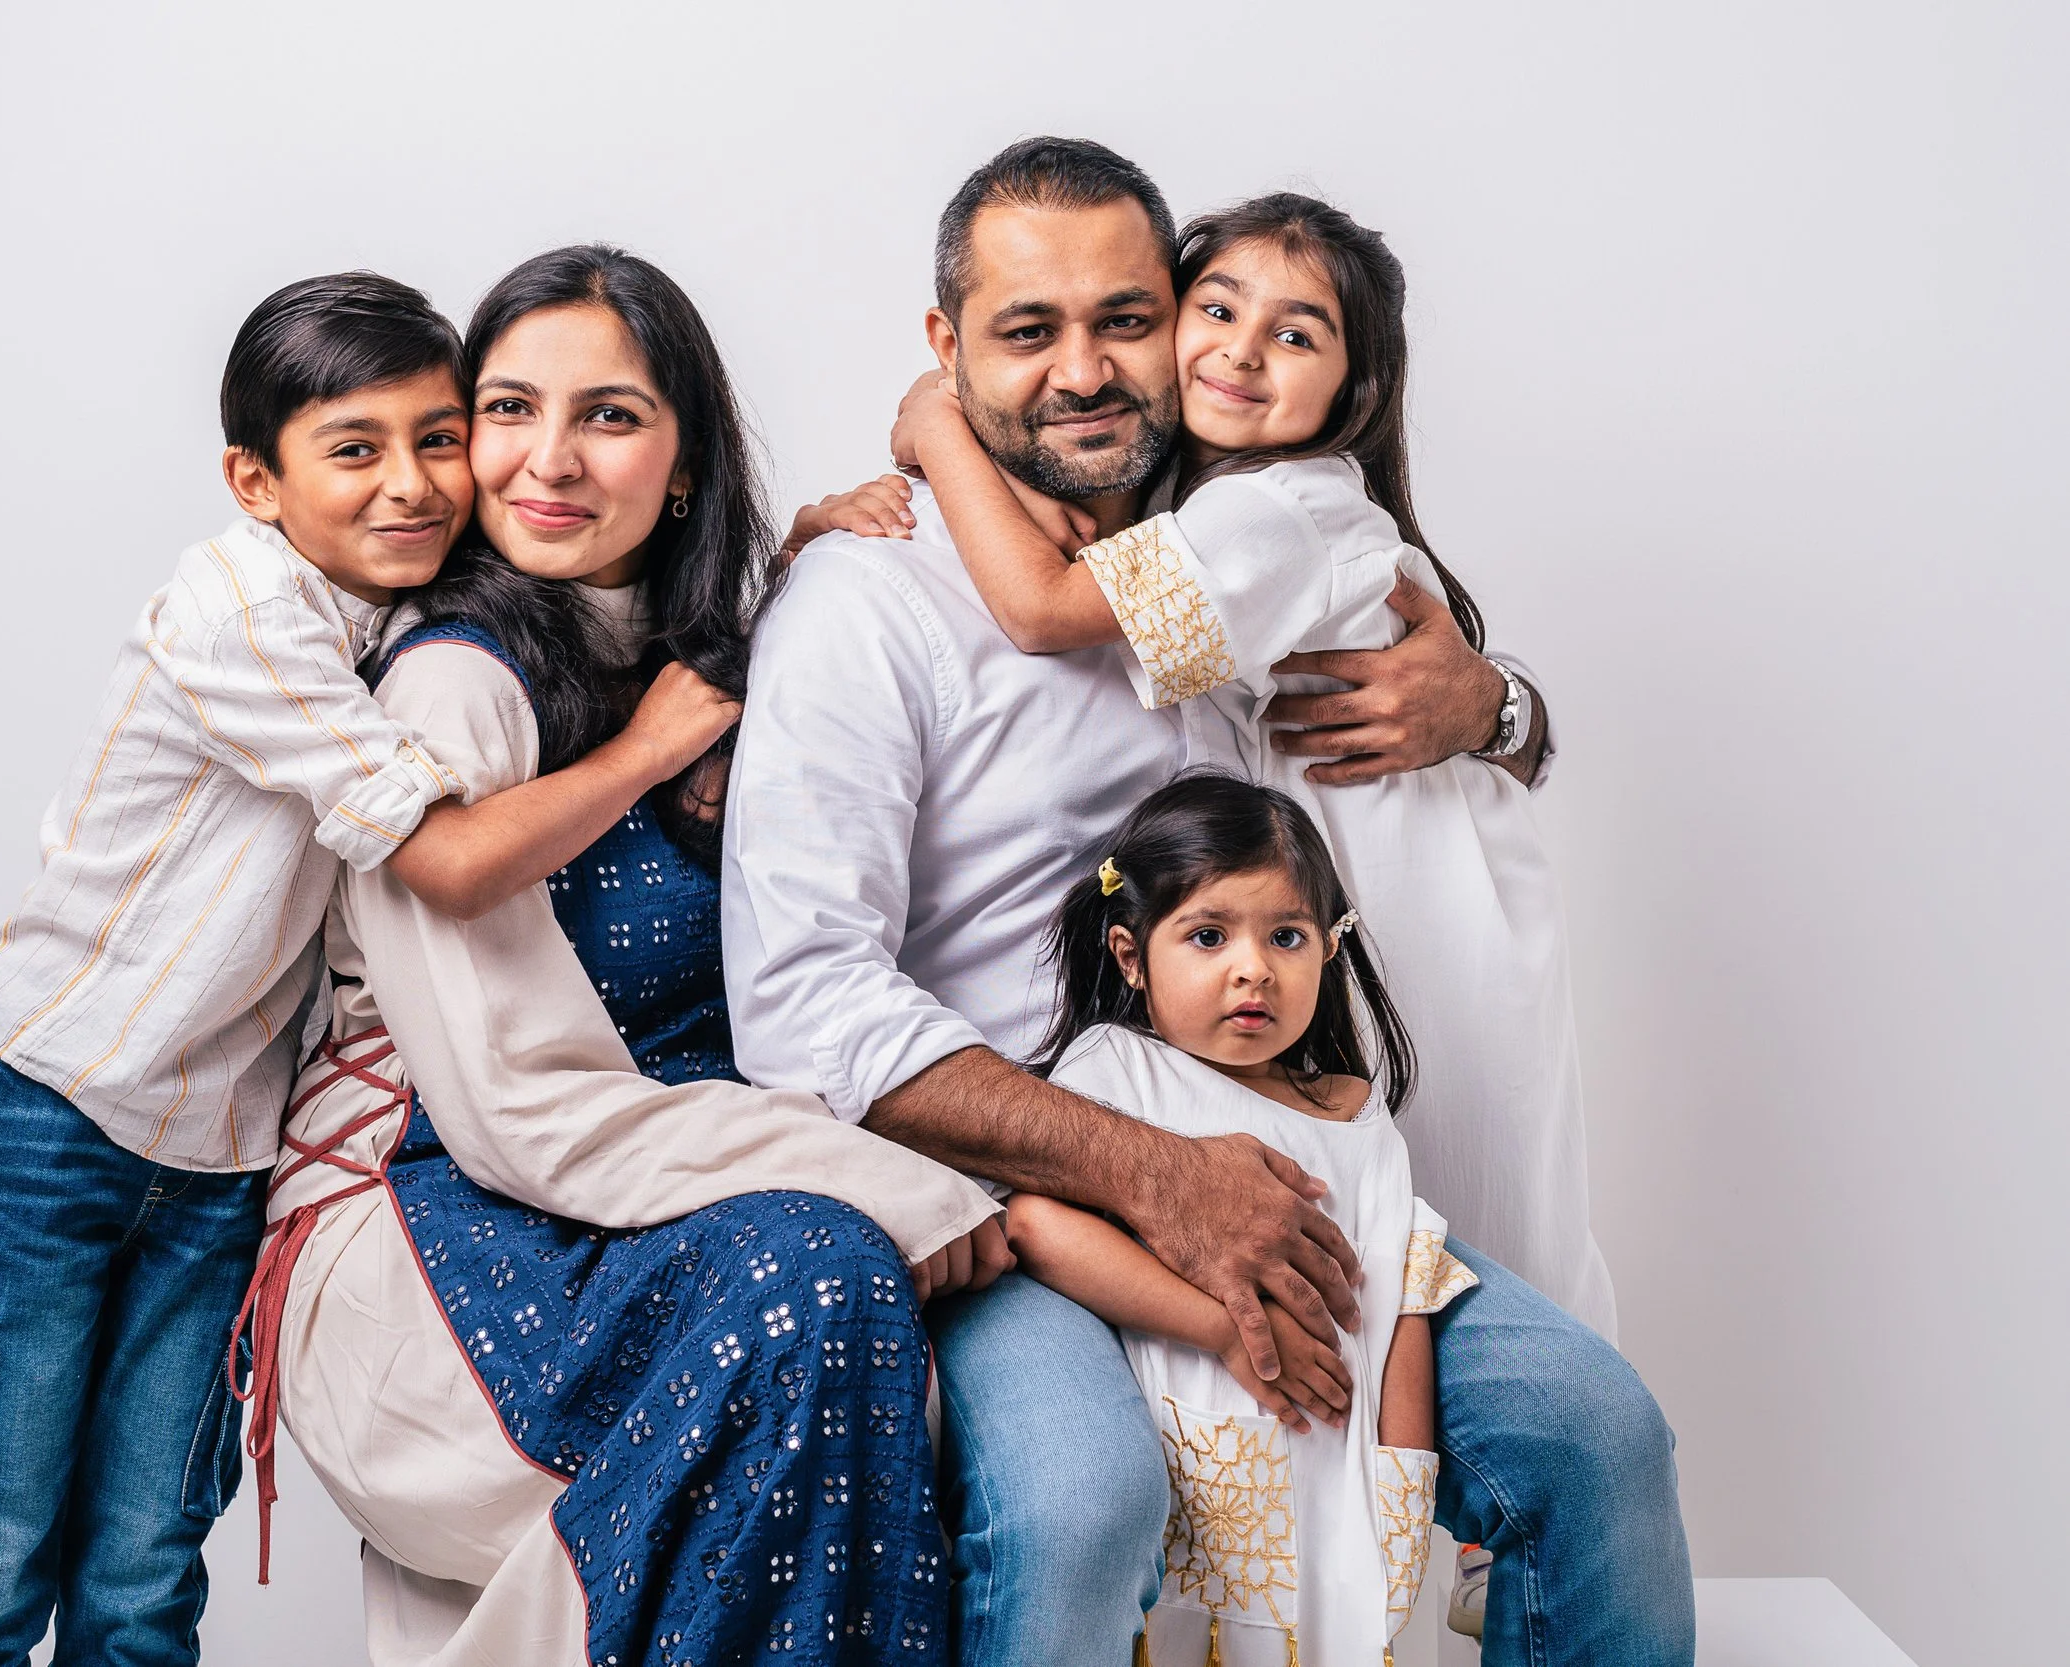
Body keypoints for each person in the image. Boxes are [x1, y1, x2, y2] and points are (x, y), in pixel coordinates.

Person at [725, 138, 1693, 1666]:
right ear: (944, 349)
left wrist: (1495, 703)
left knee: (1597, 1432)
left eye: (1127, 317)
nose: (1087, 369)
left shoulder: (1224, 546)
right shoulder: (868, 601)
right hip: (1020, 1193)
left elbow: (1438, 714)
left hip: (1286, 1158)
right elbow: (803, 998)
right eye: (1025, 331)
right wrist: (1155, 1174)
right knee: (1080, 1503)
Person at [0, 270, 730, 1666]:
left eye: (440, 436)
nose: (412, 483)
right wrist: (648, 747)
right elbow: (450, 858)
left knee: (147, 1571)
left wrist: (813, 540)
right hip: (51, 1114)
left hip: (222, 1158)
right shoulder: (244, 611)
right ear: (254, 479)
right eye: (355, 448)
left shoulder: (397, 617)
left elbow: (610, 584)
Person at [237, 245, 1005, 1667]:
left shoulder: (694, 649)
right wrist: (914, 1188)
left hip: (638, 1202)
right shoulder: (452, 682)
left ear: (689, 460)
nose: (548, 460)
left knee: (836, 1292)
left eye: (609, 415)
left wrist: (806, 570)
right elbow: (517, 1102)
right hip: (432, 1224)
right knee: (821, 1275)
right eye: (509, 409)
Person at [867, 189, 1617, 1339]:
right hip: (1322, 901)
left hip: (1419, 902)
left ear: (1351, 388)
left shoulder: (1284, 510)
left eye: (1296, 333)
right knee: (1384, 1243)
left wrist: (935, 426)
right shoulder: (1194, 501)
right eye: (1215, 307)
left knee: (1477, 1239)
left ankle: (1514, 1458)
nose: (1240, 350)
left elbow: (1041, 606)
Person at [1009, 771, 1471, 1666]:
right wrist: (1222, 1329)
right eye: (1209, 935)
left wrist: (1405, 1483)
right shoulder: (1117, 1078)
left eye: (1286, 936)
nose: (1252, 967)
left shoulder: (1355, 1114)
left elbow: (1402, 1295)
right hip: (1199, 1476)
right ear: (1132, 954)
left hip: (1342, 1494)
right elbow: (1038, 1225)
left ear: (1327, 954)